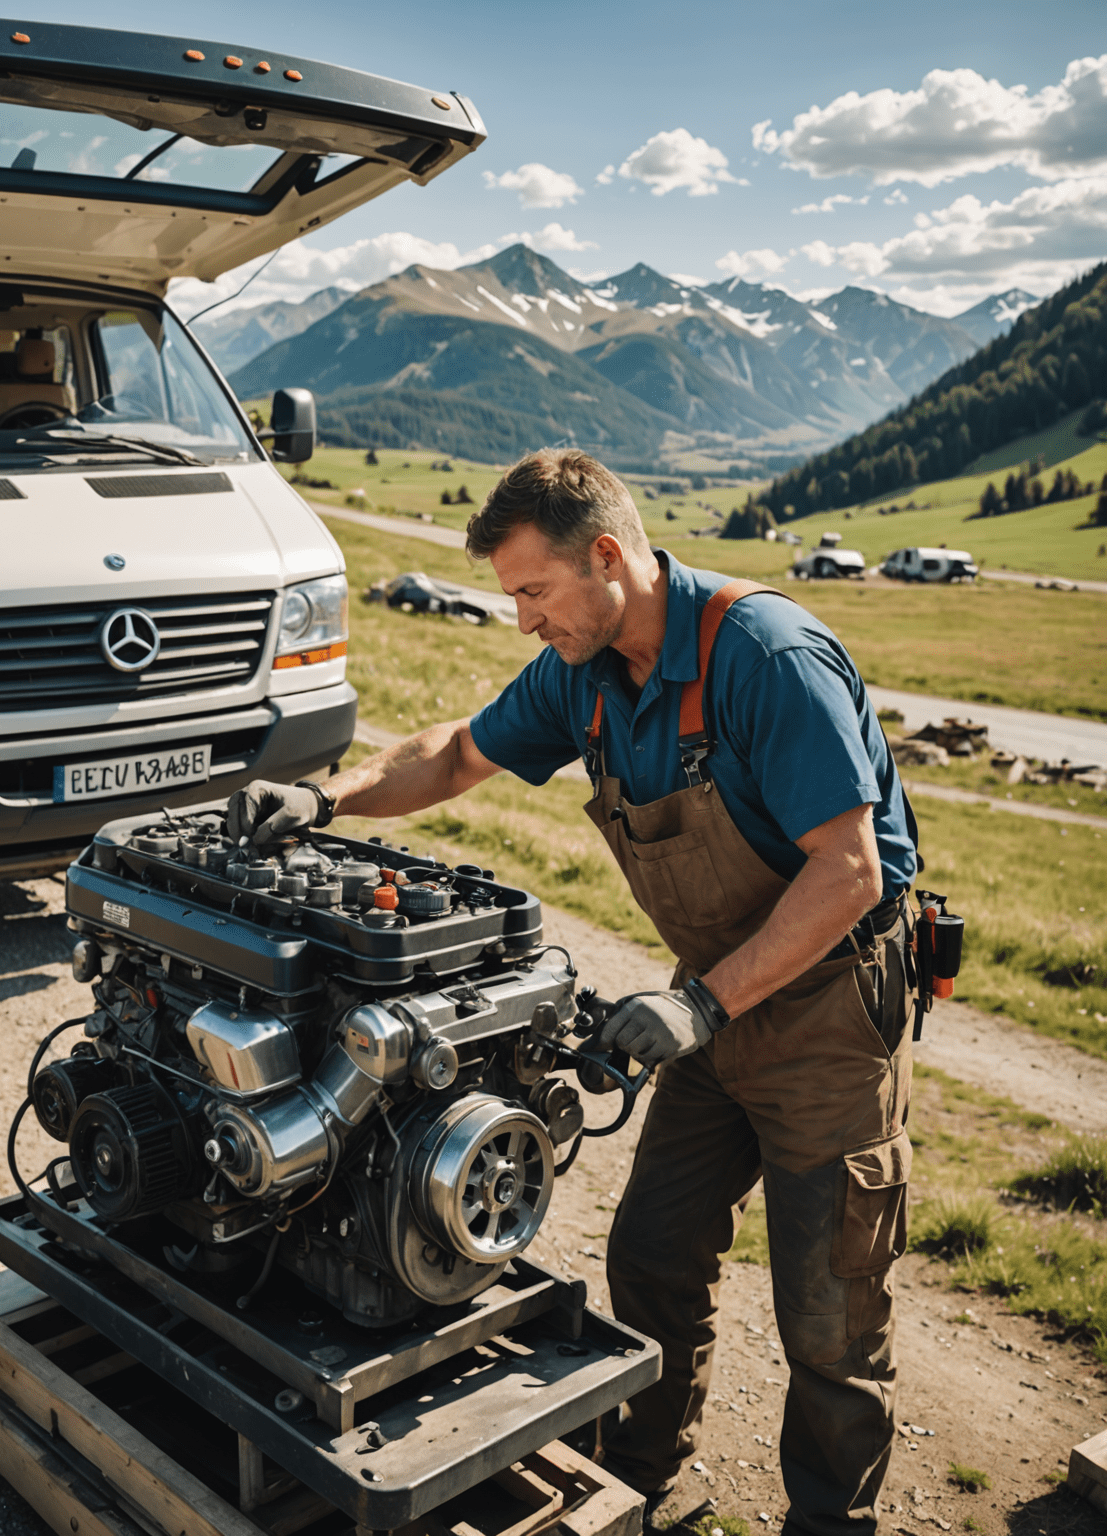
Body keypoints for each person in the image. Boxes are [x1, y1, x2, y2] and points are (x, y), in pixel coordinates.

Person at [228, 448, 917, 1536]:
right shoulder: (586, 670)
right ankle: (646, 1479)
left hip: (829, 1013)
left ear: (608, 556)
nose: (522, 621)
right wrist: (328, 800)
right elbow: (456, 755)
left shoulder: (766, 658)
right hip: (721, 1002)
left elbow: (847, 871)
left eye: (533, 593)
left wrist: (701, 1004)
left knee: (830, 1317)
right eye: (512, 598)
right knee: (652, 1252)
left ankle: (834, 1524)